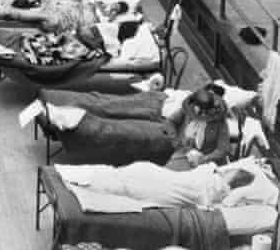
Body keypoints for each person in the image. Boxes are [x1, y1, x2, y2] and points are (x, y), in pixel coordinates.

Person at [57, 160, 255, 209]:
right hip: (167, 180)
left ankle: (79, 178)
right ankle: (80, 178)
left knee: (123, 181)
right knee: (123, 178)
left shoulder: (216, 184)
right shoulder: (213, 177)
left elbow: (208, 195)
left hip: (169, 186)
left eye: (230, 172)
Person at [165, 84, 232, 171]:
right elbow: (169, 122)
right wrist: (177, 142)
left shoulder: (220, 121)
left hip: (208, 162)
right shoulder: (189, 109)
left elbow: (223, 149)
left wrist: (203, 159)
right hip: (184, 152)